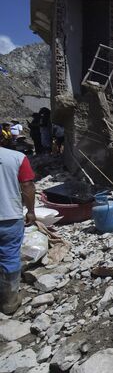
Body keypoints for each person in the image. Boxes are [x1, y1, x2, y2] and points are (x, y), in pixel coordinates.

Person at [0, 134, 36, 314]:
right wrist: (30, 211)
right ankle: (9, 301)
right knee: (9, 256)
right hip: (9, 217)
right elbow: (27, 185)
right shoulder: (17, 158)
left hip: (10, 217)